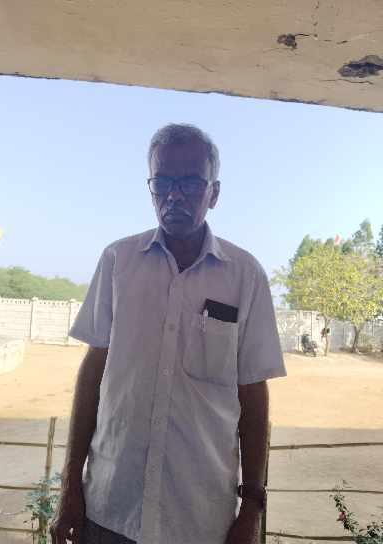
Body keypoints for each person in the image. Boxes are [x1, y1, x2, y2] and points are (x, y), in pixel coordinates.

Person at [50, 123, 287, 544]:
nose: (174, 195)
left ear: (214, 193)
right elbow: (93, 374)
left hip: (200, 518)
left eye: (191, 182)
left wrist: (251, 508)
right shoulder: (118, 261)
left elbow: (253, 393)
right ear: (151, 187)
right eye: (162, 182)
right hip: (110, 509)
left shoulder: (245, 276)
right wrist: (70, 486)